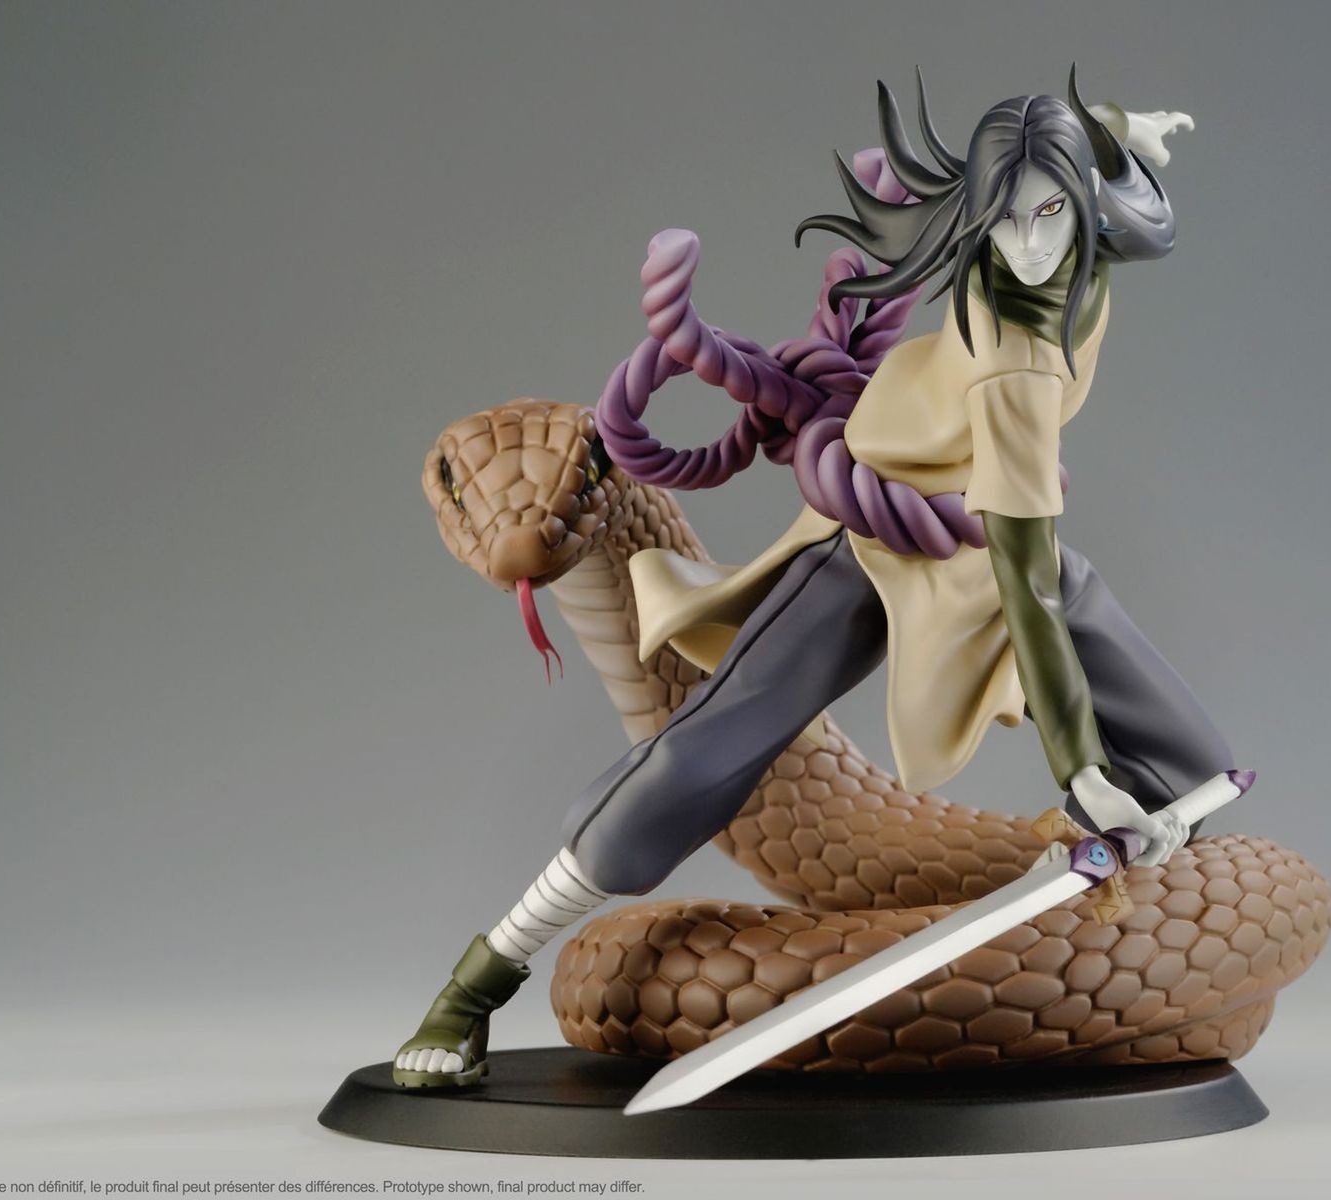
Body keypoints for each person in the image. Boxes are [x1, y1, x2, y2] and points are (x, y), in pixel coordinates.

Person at [391, 73, 1236, 1087]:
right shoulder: (1017, 363)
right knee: (704, 752)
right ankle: (479, 981)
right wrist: (1079, 765)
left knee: (1193, 769)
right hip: (877, 539)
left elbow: (1099, 188)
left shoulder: (1095, 244)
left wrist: (1113, 128)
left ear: (1085, 199)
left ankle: (1108, 877)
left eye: (1050, 211)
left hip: (969, 538)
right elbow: (1028, 584)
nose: (1023, 245)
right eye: (1001, 219)